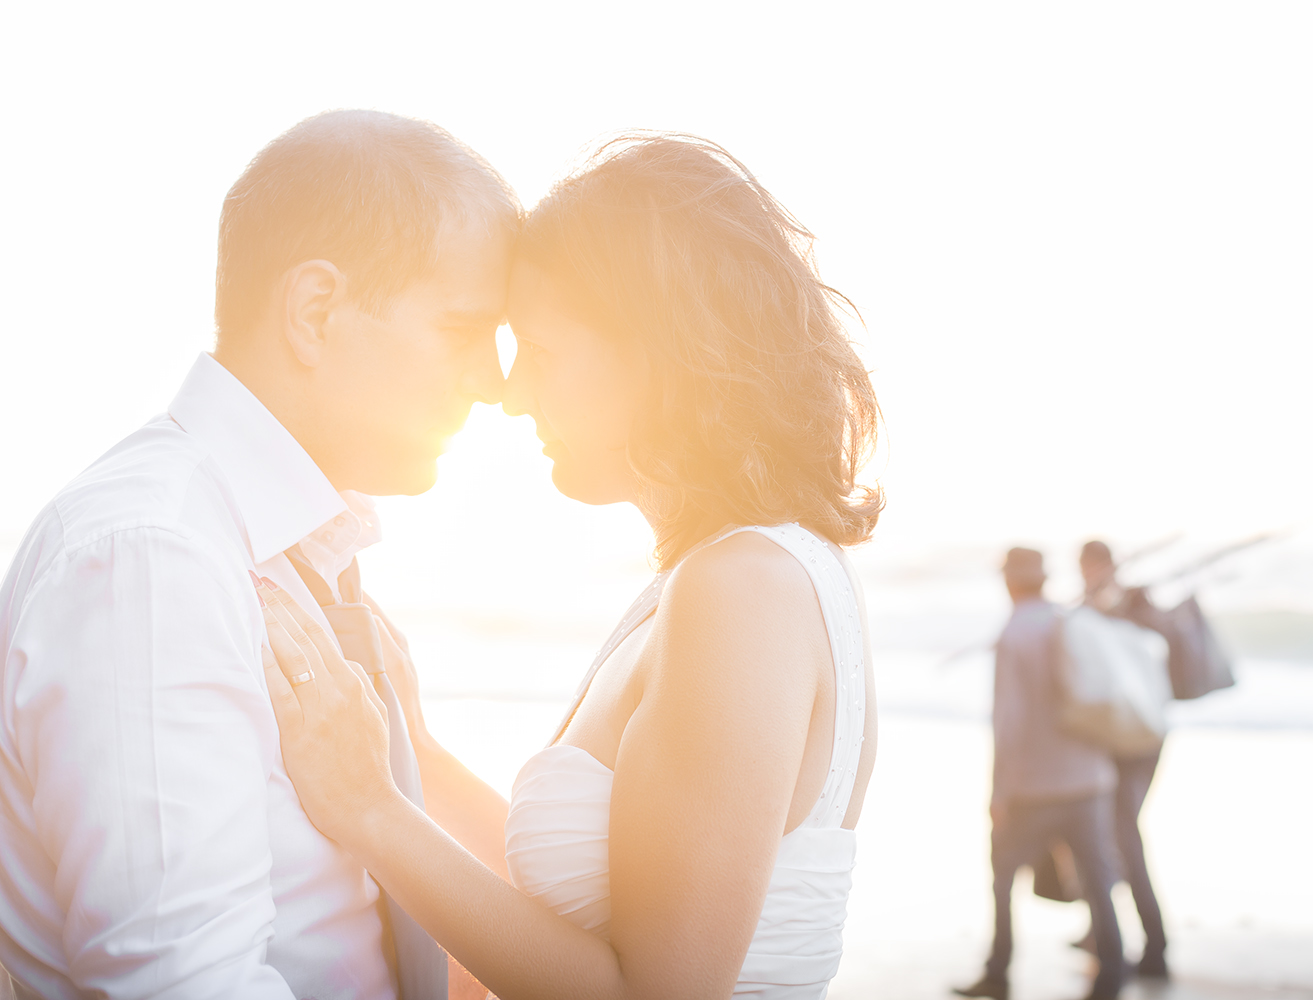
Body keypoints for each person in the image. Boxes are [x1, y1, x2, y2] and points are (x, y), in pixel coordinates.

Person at [255, 134, 882, 1000]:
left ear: (663, 356)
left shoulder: (741, 589)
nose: (511, 394)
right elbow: (605, 901)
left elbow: (655, 993)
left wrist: (374, 812)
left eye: (542, 354)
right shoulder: (715, 577)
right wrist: (419, 751)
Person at [0, 110, 520, 999]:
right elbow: (181, 985)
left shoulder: (290, 550)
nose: (496, 384)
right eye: (463, 329)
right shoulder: (153, 561)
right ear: (315, 311)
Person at [955, 548, 1124, 1000]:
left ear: (1008, 582)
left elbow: (1008, 723)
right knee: (1097, 880)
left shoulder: (1014, 634)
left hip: (1034, 787)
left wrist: (999, 792)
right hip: (1090, 779)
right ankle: (1112, 974)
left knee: (1004, 880)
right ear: (1045, 578)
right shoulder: (1071, 620)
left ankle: (998, 972)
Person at [1080, 540, 1170, 979]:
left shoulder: (1125, 604)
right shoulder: (1105, 606)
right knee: (1109, 835)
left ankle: (1156, 946)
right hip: (1141, 735)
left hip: (1133, 742)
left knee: (1123, 836)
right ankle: (1100, 931)